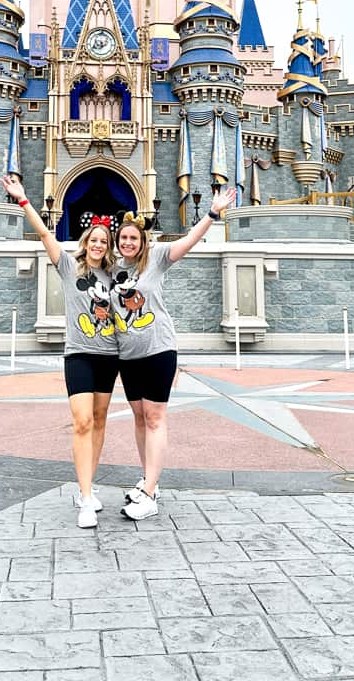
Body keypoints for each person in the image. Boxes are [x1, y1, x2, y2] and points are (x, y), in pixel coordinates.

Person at [112, 186, 237, 520]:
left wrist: (212, 212)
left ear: (143, 241)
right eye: (123, 238)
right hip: (127, 356)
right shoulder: (111, 270)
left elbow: (190, 241)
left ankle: (150, 493)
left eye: (133, 239)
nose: (128, 243)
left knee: (154, 417)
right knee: (139, 417)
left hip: (157, 350)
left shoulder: (157, 258)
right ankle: (146, 478)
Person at [1, 175, 118, 528]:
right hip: (80, 354)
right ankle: (84, 497)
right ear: (85, 242)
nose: (98, 245)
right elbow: (45, 235)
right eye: (93, 239)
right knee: (82, 421)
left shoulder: (116, 276)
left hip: (109, 356)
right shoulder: (70, 267)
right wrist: (23, 200)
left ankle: (90, 484)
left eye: (103, 241)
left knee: (99, 422)